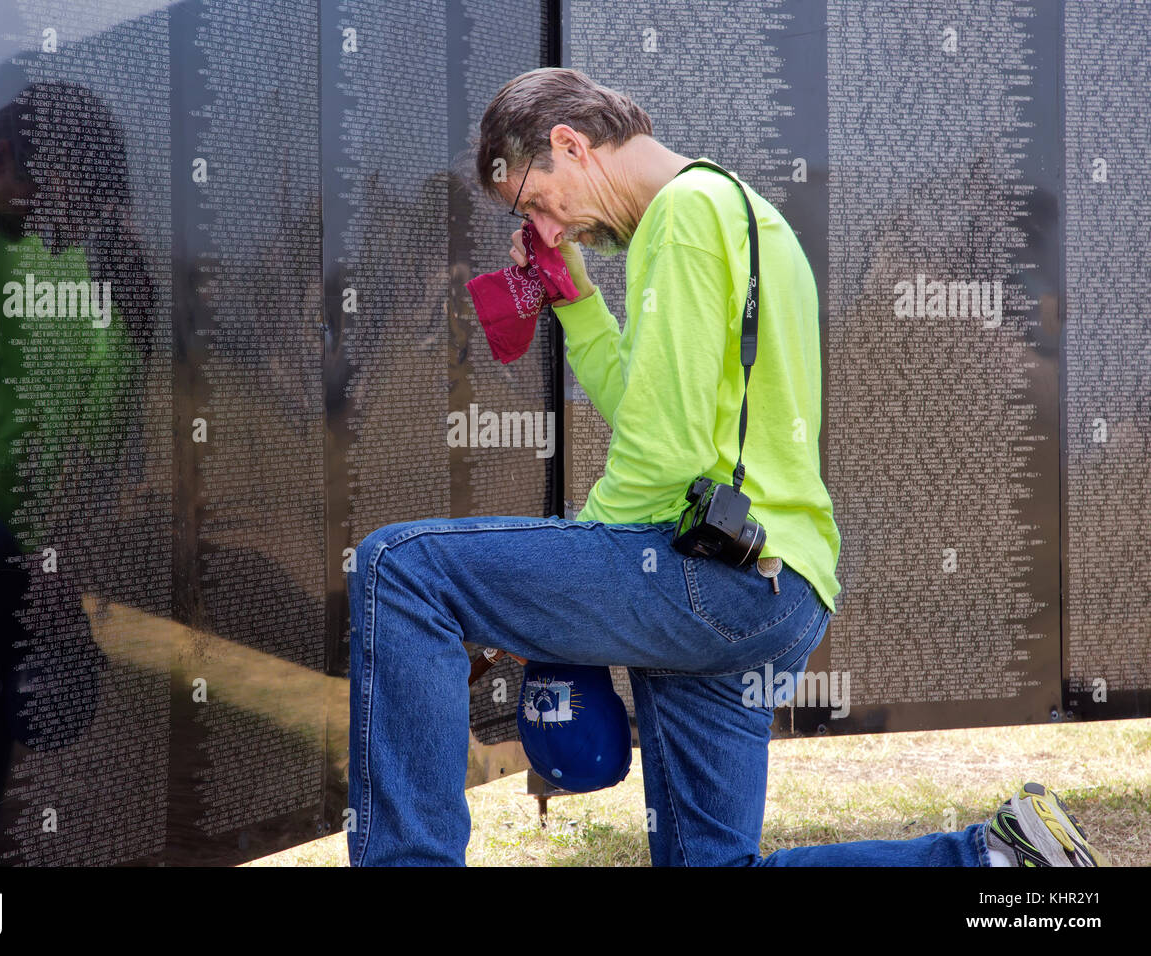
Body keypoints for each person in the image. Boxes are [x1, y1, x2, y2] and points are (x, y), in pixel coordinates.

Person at [345, 67, 1108, 867]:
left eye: (535, 199)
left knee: (400, 568)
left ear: (568, 144)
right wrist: (575, 302)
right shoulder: (739, 213)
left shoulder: (681, 217)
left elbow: (662, 450)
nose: (546, 225)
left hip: (709, 576)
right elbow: (653, 408)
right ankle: (996, 861)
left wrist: (561, 576)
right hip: (771, 585)